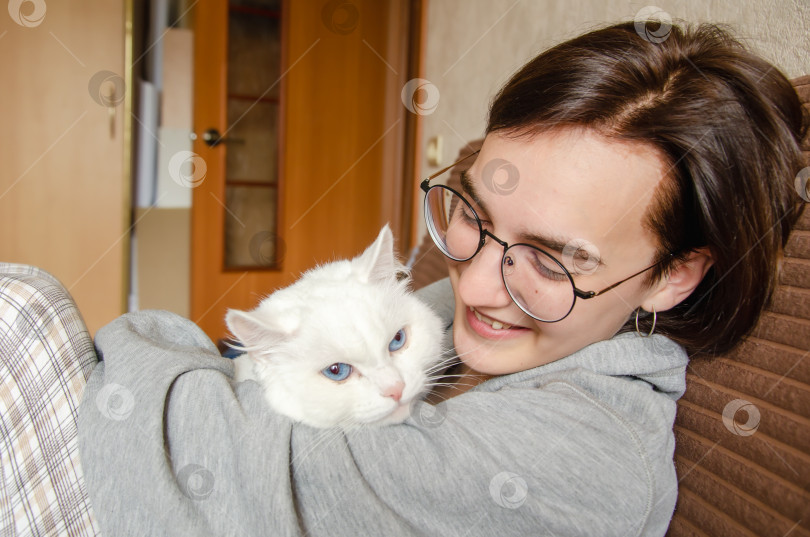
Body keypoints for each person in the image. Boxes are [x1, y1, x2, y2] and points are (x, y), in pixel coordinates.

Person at [2, 20, 806, 537]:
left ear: (671, 278)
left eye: (553, 259)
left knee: (27, 308)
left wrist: (153, 340)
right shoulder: (457, 311)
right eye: (474, 213)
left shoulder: (582, 460)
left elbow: (224, 448)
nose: (480, 285)